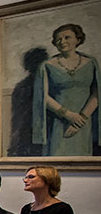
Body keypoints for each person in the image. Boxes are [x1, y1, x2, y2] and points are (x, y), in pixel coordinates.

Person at [33, 23, 98, 156]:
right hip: (59, 121)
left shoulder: (91, 63)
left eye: (67, 37)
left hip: (84, 123)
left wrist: (80, 119)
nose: (62, 41)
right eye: (58, 39)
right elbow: (43, 96)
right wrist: (68, 115)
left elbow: (97, 93)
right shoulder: (47, 65)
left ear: (78, 39)